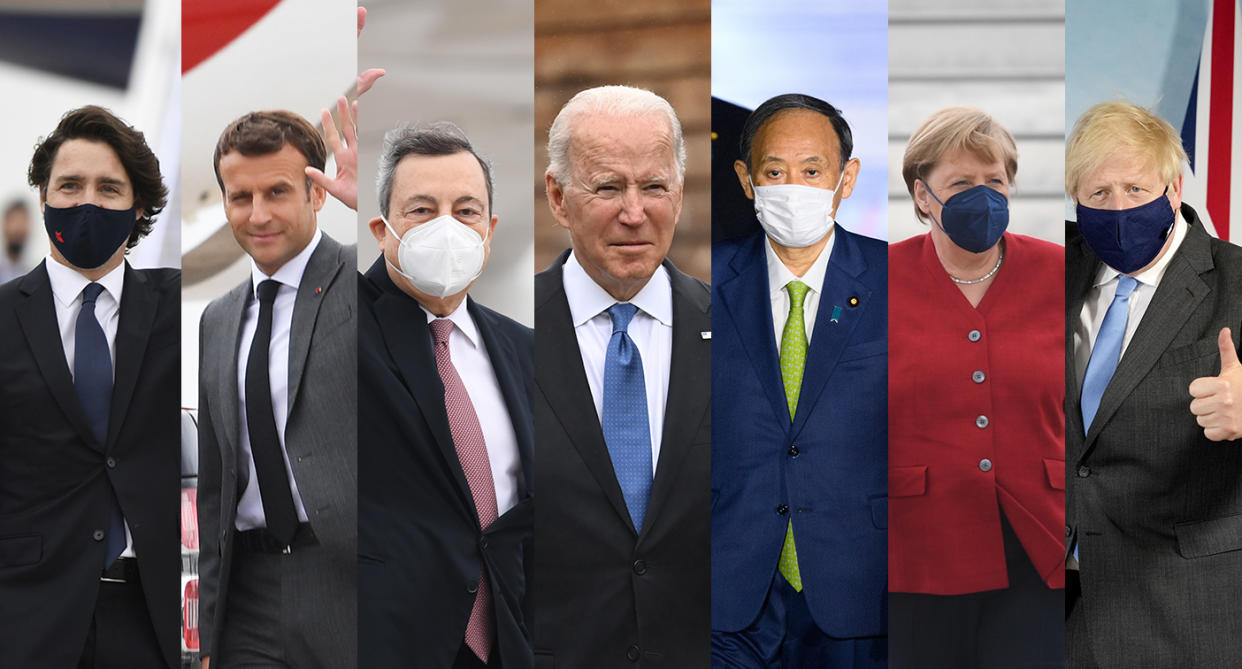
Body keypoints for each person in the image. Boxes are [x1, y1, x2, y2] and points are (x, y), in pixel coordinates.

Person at [533, 85, 710, 668]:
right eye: (608, 187)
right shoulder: (502, 334)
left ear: (679, 194)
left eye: (654, 187)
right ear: (558, 198)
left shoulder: (740, 332)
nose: (635, 213)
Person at [711, 93, 887, 667]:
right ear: (746, 180)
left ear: (847, 178)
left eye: (812, 171)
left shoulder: (904, 281)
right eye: (775, 172)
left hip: (862, 587)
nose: (794, 187)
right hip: (726, 590)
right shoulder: (695, 283)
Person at [0, 105, 178, 668]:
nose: (86, 204)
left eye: (108, 188)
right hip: (26, 615)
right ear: (45, 196)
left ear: (139, 207)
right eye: (70, 186)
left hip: (154, 618)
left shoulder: (183, 310)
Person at [1065, 101, 1242, 668]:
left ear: (1173, 187)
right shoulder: (1054, 270)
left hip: (1184, 612)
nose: (1117, 208)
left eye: (1135, 190)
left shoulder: (1235, 280)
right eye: (1098, 194)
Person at [888, 106, 1065, 668]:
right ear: (922, 196)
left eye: (994, 182)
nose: (982, 196)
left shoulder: (1065, 273)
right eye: (960, 183)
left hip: (1042, 547)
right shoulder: (871, 280)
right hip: (917, 551)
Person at [356, 122, 533, 669]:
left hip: (507, 640)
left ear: (489, 228)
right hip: (387, 641)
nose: (447, 227)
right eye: (422, 210)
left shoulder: (525, 350)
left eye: (466, 210)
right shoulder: (344, 326)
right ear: (383, 230)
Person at [196, 110, 356, 668]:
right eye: (241, 196)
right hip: (248, 596)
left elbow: (433, 295)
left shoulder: (363, 285)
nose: (258, 215)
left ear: (317, 194)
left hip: (347, 583)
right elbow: (217, 487)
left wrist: (379, 215)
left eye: (278, 192)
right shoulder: (216, 320)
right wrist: (209, 635)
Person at [0, 199, 31, 283]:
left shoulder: (30, 275)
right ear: (4, 226)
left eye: (23, 221)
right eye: (14, 221)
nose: (18, 228)